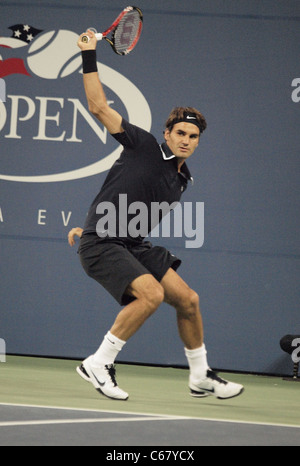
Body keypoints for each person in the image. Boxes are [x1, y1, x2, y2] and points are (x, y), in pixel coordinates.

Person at [71, 30, 244, 401]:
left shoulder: (184, 178)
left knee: (188, 300)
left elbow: (128, 200)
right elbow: (99, 106)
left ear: (198, 142)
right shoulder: (143, 145)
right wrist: (88, 54)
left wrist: (90, 221)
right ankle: (98, 363)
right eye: (180, 132)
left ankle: (199, 375)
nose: (186, 139)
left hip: (131, 242)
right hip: (104, 243)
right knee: (149, 295)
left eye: (193, 136)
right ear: (167, 133)